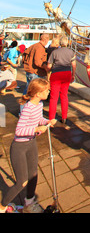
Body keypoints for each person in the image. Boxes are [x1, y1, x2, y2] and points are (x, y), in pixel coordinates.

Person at [0, 78, 56, 213]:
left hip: (31, 143)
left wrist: (46, 121)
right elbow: (18, 131)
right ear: (37, 93)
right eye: (46, 90)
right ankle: (2, 207)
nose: (48, 92)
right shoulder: (28, 108)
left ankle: (29, 203)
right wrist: (36, 129)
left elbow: (38, 119)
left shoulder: (39, 105)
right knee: (22, 182)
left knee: (33, 174)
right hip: (19, 147)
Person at [47, 36, 76, 124]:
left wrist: (49, 72)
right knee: (64, 95)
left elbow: (49, 66)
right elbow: (74, 65)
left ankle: (51, 118)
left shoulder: (54, 52)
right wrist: (73, 75)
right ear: (67, 43)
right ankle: (64, 117)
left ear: (60, 43)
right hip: (67, 73)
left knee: (53, 97)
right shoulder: (71, 52)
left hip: (56, 74)